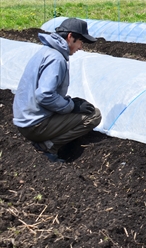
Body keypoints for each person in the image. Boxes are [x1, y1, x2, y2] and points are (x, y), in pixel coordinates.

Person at [13, 18, 102, 162]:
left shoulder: (46, 51)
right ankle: (48, 146)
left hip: (25, 119)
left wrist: (69, 102)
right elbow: (44, 95)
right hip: (34, 125)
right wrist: (72, 106)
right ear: (70, 37)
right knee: (94, 116)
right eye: (81, 41)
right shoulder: (56, 59)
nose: (81, 47)